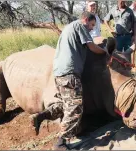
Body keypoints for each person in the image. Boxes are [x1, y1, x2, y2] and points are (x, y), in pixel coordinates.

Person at [30, 11, 108, 150]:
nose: (91, 28)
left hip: (59, 72)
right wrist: (105, 51)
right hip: (70, 73)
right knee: (75, 108)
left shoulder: (69, 27)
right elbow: (91, 46)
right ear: (85, 20)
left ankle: (41, 116)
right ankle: (61, 143)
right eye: (91, 24)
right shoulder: (80, 26)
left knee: (64, 103)